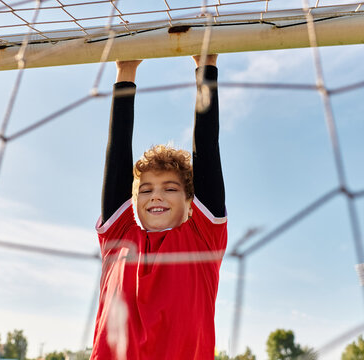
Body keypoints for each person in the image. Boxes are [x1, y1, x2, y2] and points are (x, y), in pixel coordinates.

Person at [91, 55, 227, 360]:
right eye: (147, 189)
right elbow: (116, 157)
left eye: (170, 188)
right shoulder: (119, 239)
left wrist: (206, 65)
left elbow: (207, 147)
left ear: (191, 203)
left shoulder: (202, 240)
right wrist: (126, 72)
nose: (156, 196)